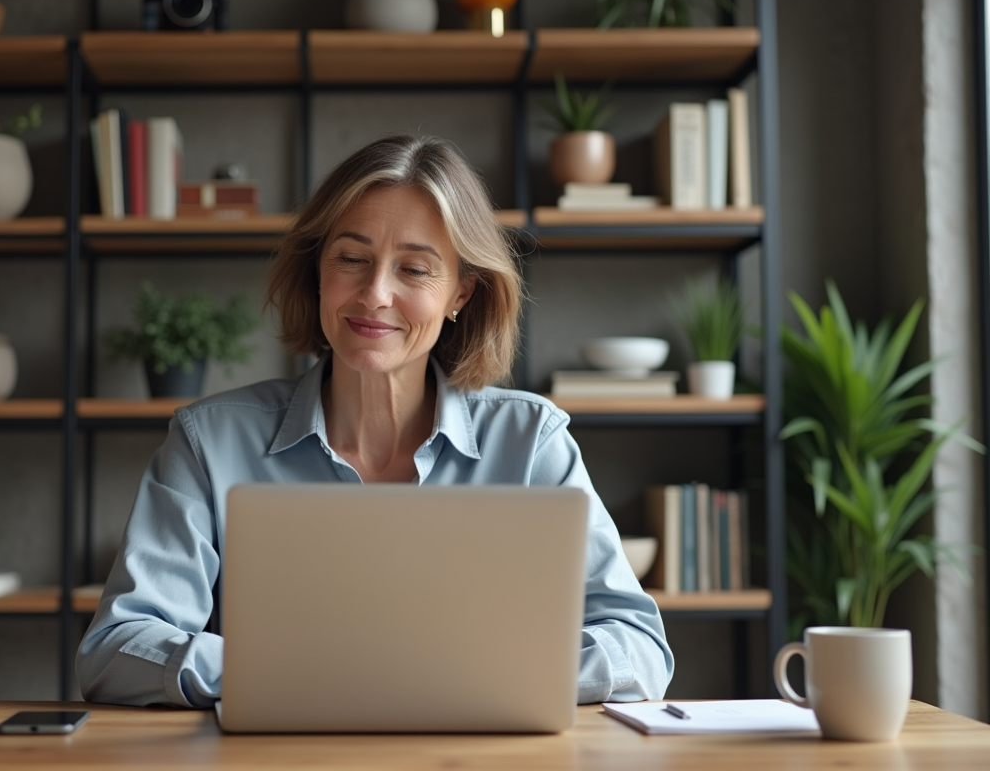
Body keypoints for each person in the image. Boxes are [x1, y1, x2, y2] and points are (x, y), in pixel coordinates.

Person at [77, 134, 674, 708]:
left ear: (461, 294)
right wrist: (296, 675)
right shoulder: (209, 443)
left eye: (414, 270)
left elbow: (640, 648)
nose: (375, 294)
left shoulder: (530, 442)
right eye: (352, 259)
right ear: (318, 271)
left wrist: (474, 676)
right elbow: (114, 651)